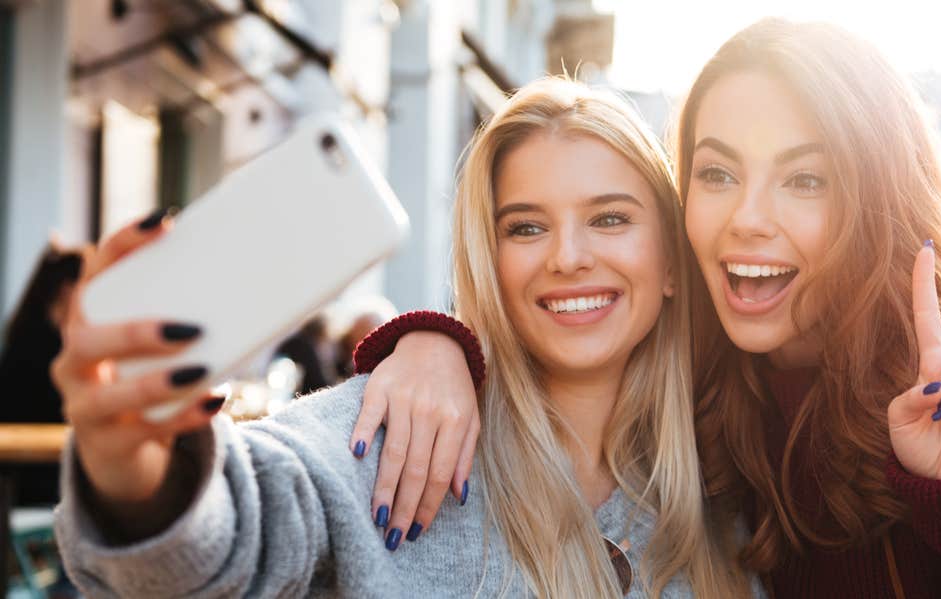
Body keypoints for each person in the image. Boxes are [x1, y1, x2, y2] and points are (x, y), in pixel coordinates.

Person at [353, 19, 941, 598]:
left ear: (875, 197)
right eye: (718, 173)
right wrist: (437, 345)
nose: (746, 218)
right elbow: (552, 329)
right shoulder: (686, 358)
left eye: (804, 180)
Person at [50, 79, 756, 598]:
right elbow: (223, 547)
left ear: (671, 260)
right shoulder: (395, 433)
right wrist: (139, 471)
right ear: (491, 258)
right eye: (526, 227)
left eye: (609, 219)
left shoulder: (730, 473)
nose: (567, 256)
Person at [0, 241, 83, 505]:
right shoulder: (43, 347)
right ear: (68, 289)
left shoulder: (26, 334)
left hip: (31, 478)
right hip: (37, 481)